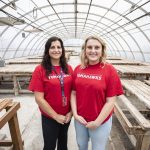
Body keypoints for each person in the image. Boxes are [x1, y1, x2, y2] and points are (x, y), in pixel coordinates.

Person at [71, 36, 123, 150]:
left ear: (102, 50)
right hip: (80, 119)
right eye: (89, 47)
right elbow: (73, 93)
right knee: (81, 145)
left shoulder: (110, 70)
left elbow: (111, 101)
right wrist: (75, 115)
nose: (93, 51)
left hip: (100, 121)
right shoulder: (78, 69)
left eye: (97, 47)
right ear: (85, 50)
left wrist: (97, 122)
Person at [28, 36, 73, 150]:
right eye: (52, 47)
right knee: (49, 146)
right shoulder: (40, 69)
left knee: (63, 145)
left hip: (66, 116)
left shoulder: (68, 68)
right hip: (50, 117)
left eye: (59, 47)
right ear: (47, 50)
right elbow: (39, 98)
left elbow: (74, 93)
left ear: (62, 49)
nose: (56, 50)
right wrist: (55, 116)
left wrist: (71, 112)